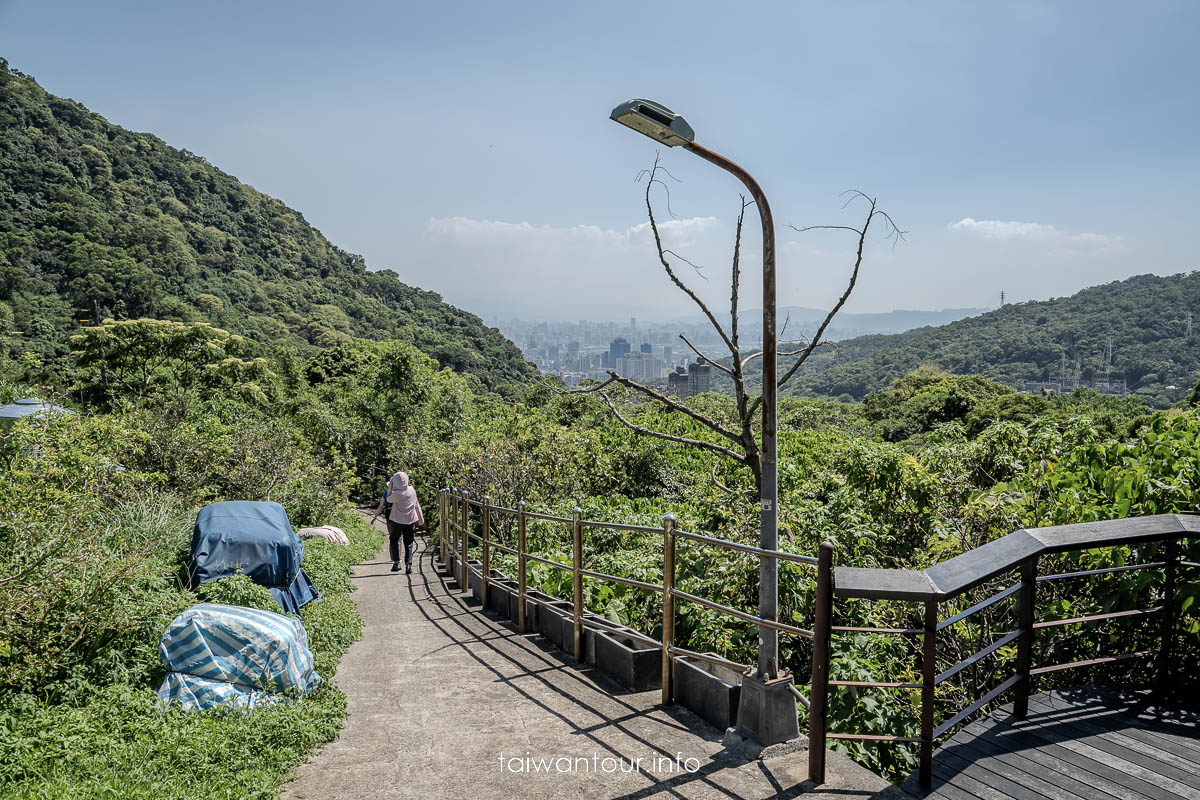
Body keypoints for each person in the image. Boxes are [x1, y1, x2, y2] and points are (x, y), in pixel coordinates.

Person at [380, 471, 425, 573]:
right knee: (409, 543)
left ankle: (396, 563)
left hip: (397, 521)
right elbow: (417, 505)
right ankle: (408, 565)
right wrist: (421, 519)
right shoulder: (412, 490)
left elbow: (388, 499)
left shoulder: (397, 494)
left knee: (394, 540)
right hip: (410, 521)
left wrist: (390, 486)